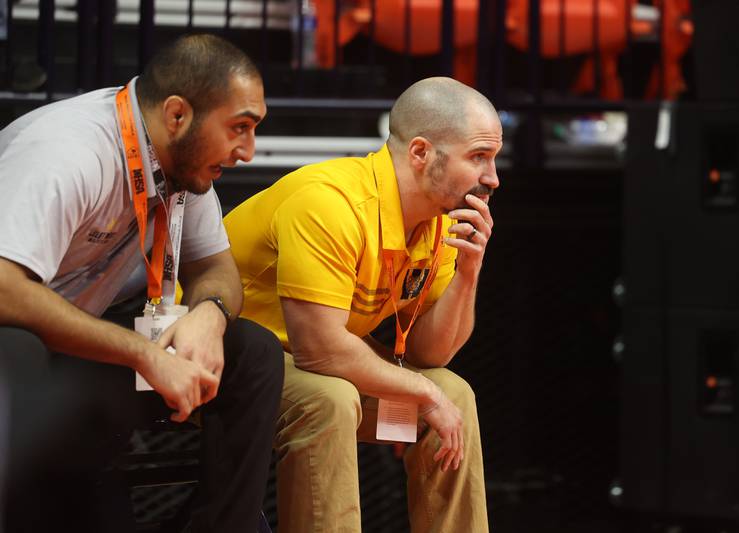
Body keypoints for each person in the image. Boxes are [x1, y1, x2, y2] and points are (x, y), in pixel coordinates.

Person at [0, 34, 284, 533]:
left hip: (78, 354)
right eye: (239, 128)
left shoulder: (184, 164)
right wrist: (143, 353)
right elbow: (4, 288)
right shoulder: (68, 151)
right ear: (178, 115)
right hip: (18, 355)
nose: (248, 151)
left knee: (253, 353)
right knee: (16, 349)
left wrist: (208, 316)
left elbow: (218, 271)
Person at [224, 76, 502, 532]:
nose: (492, 178)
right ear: (420, 153)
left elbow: (429, 355)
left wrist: (469, 272)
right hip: (219, 355)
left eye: (493, 159)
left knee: (454, 392)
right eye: (479, 157)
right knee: (331, 398)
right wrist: (422, 392)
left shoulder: (441, 219)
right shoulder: (331, 201)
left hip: (307, 356)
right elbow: (320, 349)